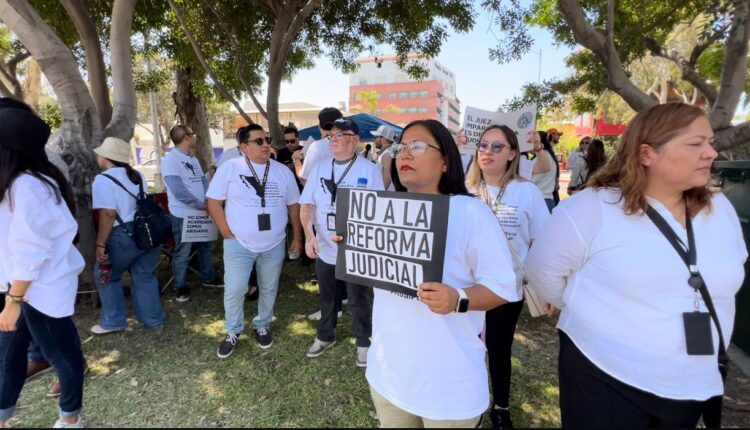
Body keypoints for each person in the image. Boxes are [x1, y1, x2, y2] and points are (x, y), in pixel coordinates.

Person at [525, 103, 748, 428]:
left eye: (710, 142)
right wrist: (581, 304)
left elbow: (732, 268)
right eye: (695, 143)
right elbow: (542, 272)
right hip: (605, 377)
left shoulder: (720, 208)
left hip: (692, 381)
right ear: (646, 154)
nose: (710, 153)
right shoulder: (592, 208)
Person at [366, 119, 517, 427]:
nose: (405, 155)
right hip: (387, 376)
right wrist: (356, 246)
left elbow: (504, 287)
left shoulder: (471, 213)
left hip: (448, 387)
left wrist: (458, 298)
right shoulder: (383, 211)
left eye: (418, 146)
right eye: (400, 147)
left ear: (446, 161)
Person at [0, 107, 86, 428]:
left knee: (62, 356)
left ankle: (70, 417)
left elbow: (30, 249)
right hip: (20, 288)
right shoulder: (17, 183)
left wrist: (13, 302)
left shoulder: (29, 186)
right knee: (8, 357)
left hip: (39, 290)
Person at [465, 125, 551, 429]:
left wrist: (548, 286)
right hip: (468, 288)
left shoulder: (526, 191)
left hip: (507, 290)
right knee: (469, 349)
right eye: (483, 145)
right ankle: (470, 406)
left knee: (499, 349)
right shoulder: (464, 189)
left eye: (497, 147)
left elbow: (543, 241)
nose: (487, 151)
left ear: (513, 153)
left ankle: (500, 407)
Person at [207, 124, 302, 357]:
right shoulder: (230, 168)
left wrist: (297, 237)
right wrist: (226, 232)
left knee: (269, 288)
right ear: (243, 147)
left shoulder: (282, 171)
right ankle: (232, 330)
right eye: (258, 141)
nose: (266, 144)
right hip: (239, 243)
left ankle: (262, 325)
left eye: (267, 139)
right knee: (235, 289)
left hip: (274, 243)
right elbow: (212, 202)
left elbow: (294, 206)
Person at [299, 118, 384, 366]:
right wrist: (309, 235)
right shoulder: (320, 168)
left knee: (358, 298)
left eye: (340, 135)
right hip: (324, 246)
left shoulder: (369, 170)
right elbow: (307, 204)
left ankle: (363, 342)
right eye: (331, 135)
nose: (333, 139)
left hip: (356, 249)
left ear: (355, 140)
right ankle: (325, 336)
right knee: (327, 297)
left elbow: (378, 211)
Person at [91, 137, 166, 334]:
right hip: (146, 232)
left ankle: (113, 321)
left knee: (106, 275)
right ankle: (153, 320)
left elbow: (108, 214)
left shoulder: (102, 180)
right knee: (144, 276)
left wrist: (100, 243)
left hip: (122, 235)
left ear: (106, 157)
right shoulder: (137, 175)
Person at [161, 125, 222, 303]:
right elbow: (177, 190)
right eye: (193, 133)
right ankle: (181, 286)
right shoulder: (170, 160)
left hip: (202, 211)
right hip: (183, 214)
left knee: (205, 247)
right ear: (186, 137)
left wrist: (208, 201)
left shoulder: (192, 159)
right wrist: (199, 204)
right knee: (183, 251)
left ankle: (209, 278)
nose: (195, 136)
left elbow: (202, 181)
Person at [293, 107, 343, 186]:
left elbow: (305, 181)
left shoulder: (317, 147)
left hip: (323, 195)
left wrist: (296, 160)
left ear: (319, 125)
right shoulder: (349, 145)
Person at [531, 131, 558, 212]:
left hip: (540, 199)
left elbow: (532, 180)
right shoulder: (550, 156)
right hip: (548, 199)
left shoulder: (540, 159)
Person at [371, 125, 397, 190]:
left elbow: (387, 179)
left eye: (375, 137)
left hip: (386, 196)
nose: (374, 140)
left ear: (383, 139)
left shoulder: (387, 154)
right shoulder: (388, 153)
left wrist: (378, 195)